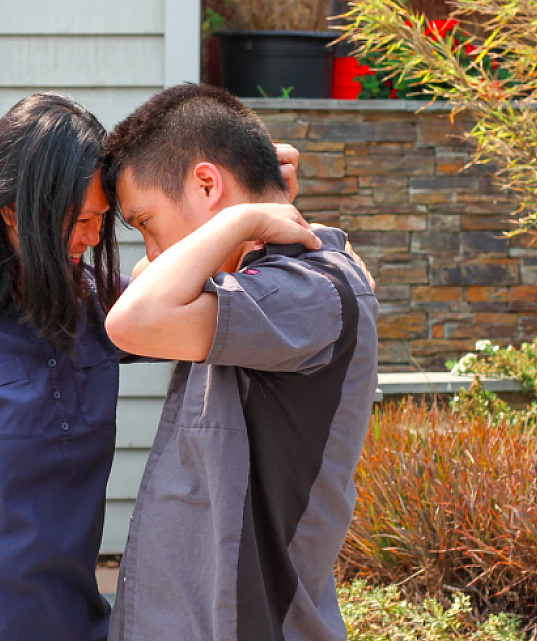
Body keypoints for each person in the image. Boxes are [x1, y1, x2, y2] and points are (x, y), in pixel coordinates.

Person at [0, 92, 325, 641]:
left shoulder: (88, 304)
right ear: (15, 209)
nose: (94, 239)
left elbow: (176, 291)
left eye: (101, 221)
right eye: (82, 221)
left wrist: (245, 202)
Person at [102, 84, 380, 641]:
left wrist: (238, 220)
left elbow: (132, 321)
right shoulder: (246, 287)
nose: (152, 252)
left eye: (145, 223)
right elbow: (133, 298)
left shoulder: (307, 290)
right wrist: (246, 219)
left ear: (207, 182)